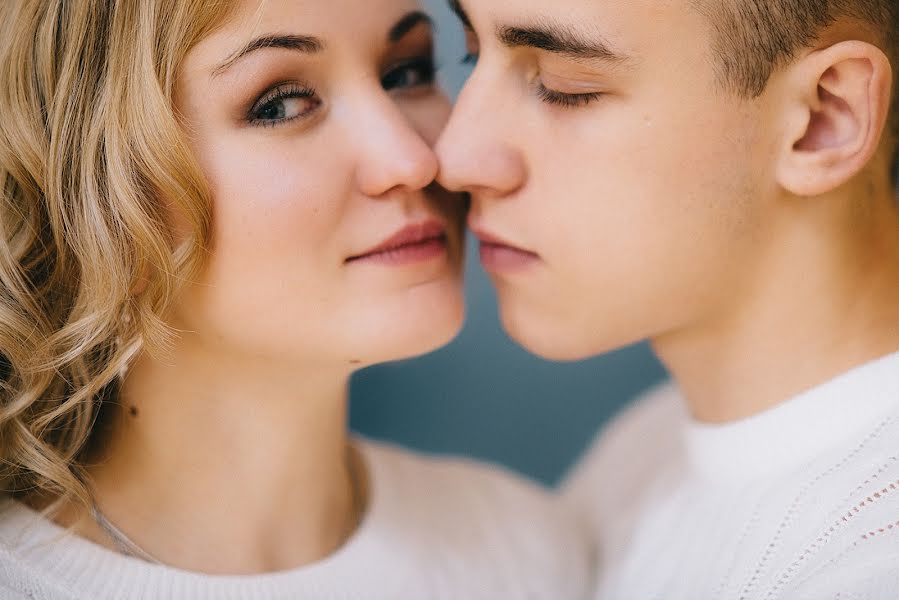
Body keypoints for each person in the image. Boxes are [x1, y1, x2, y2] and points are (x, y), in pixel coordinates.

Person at [0, 1, 593, 598]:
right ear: (97, 205)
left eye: (406, 73)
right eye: (281, 105)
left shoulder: (531, 553)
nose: (412, 161)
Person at [436, 0, 899, 597]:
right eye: (472, 54)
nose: (455, 158)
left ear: (822, 118)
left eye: (564, 88)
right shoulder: (643, 448)